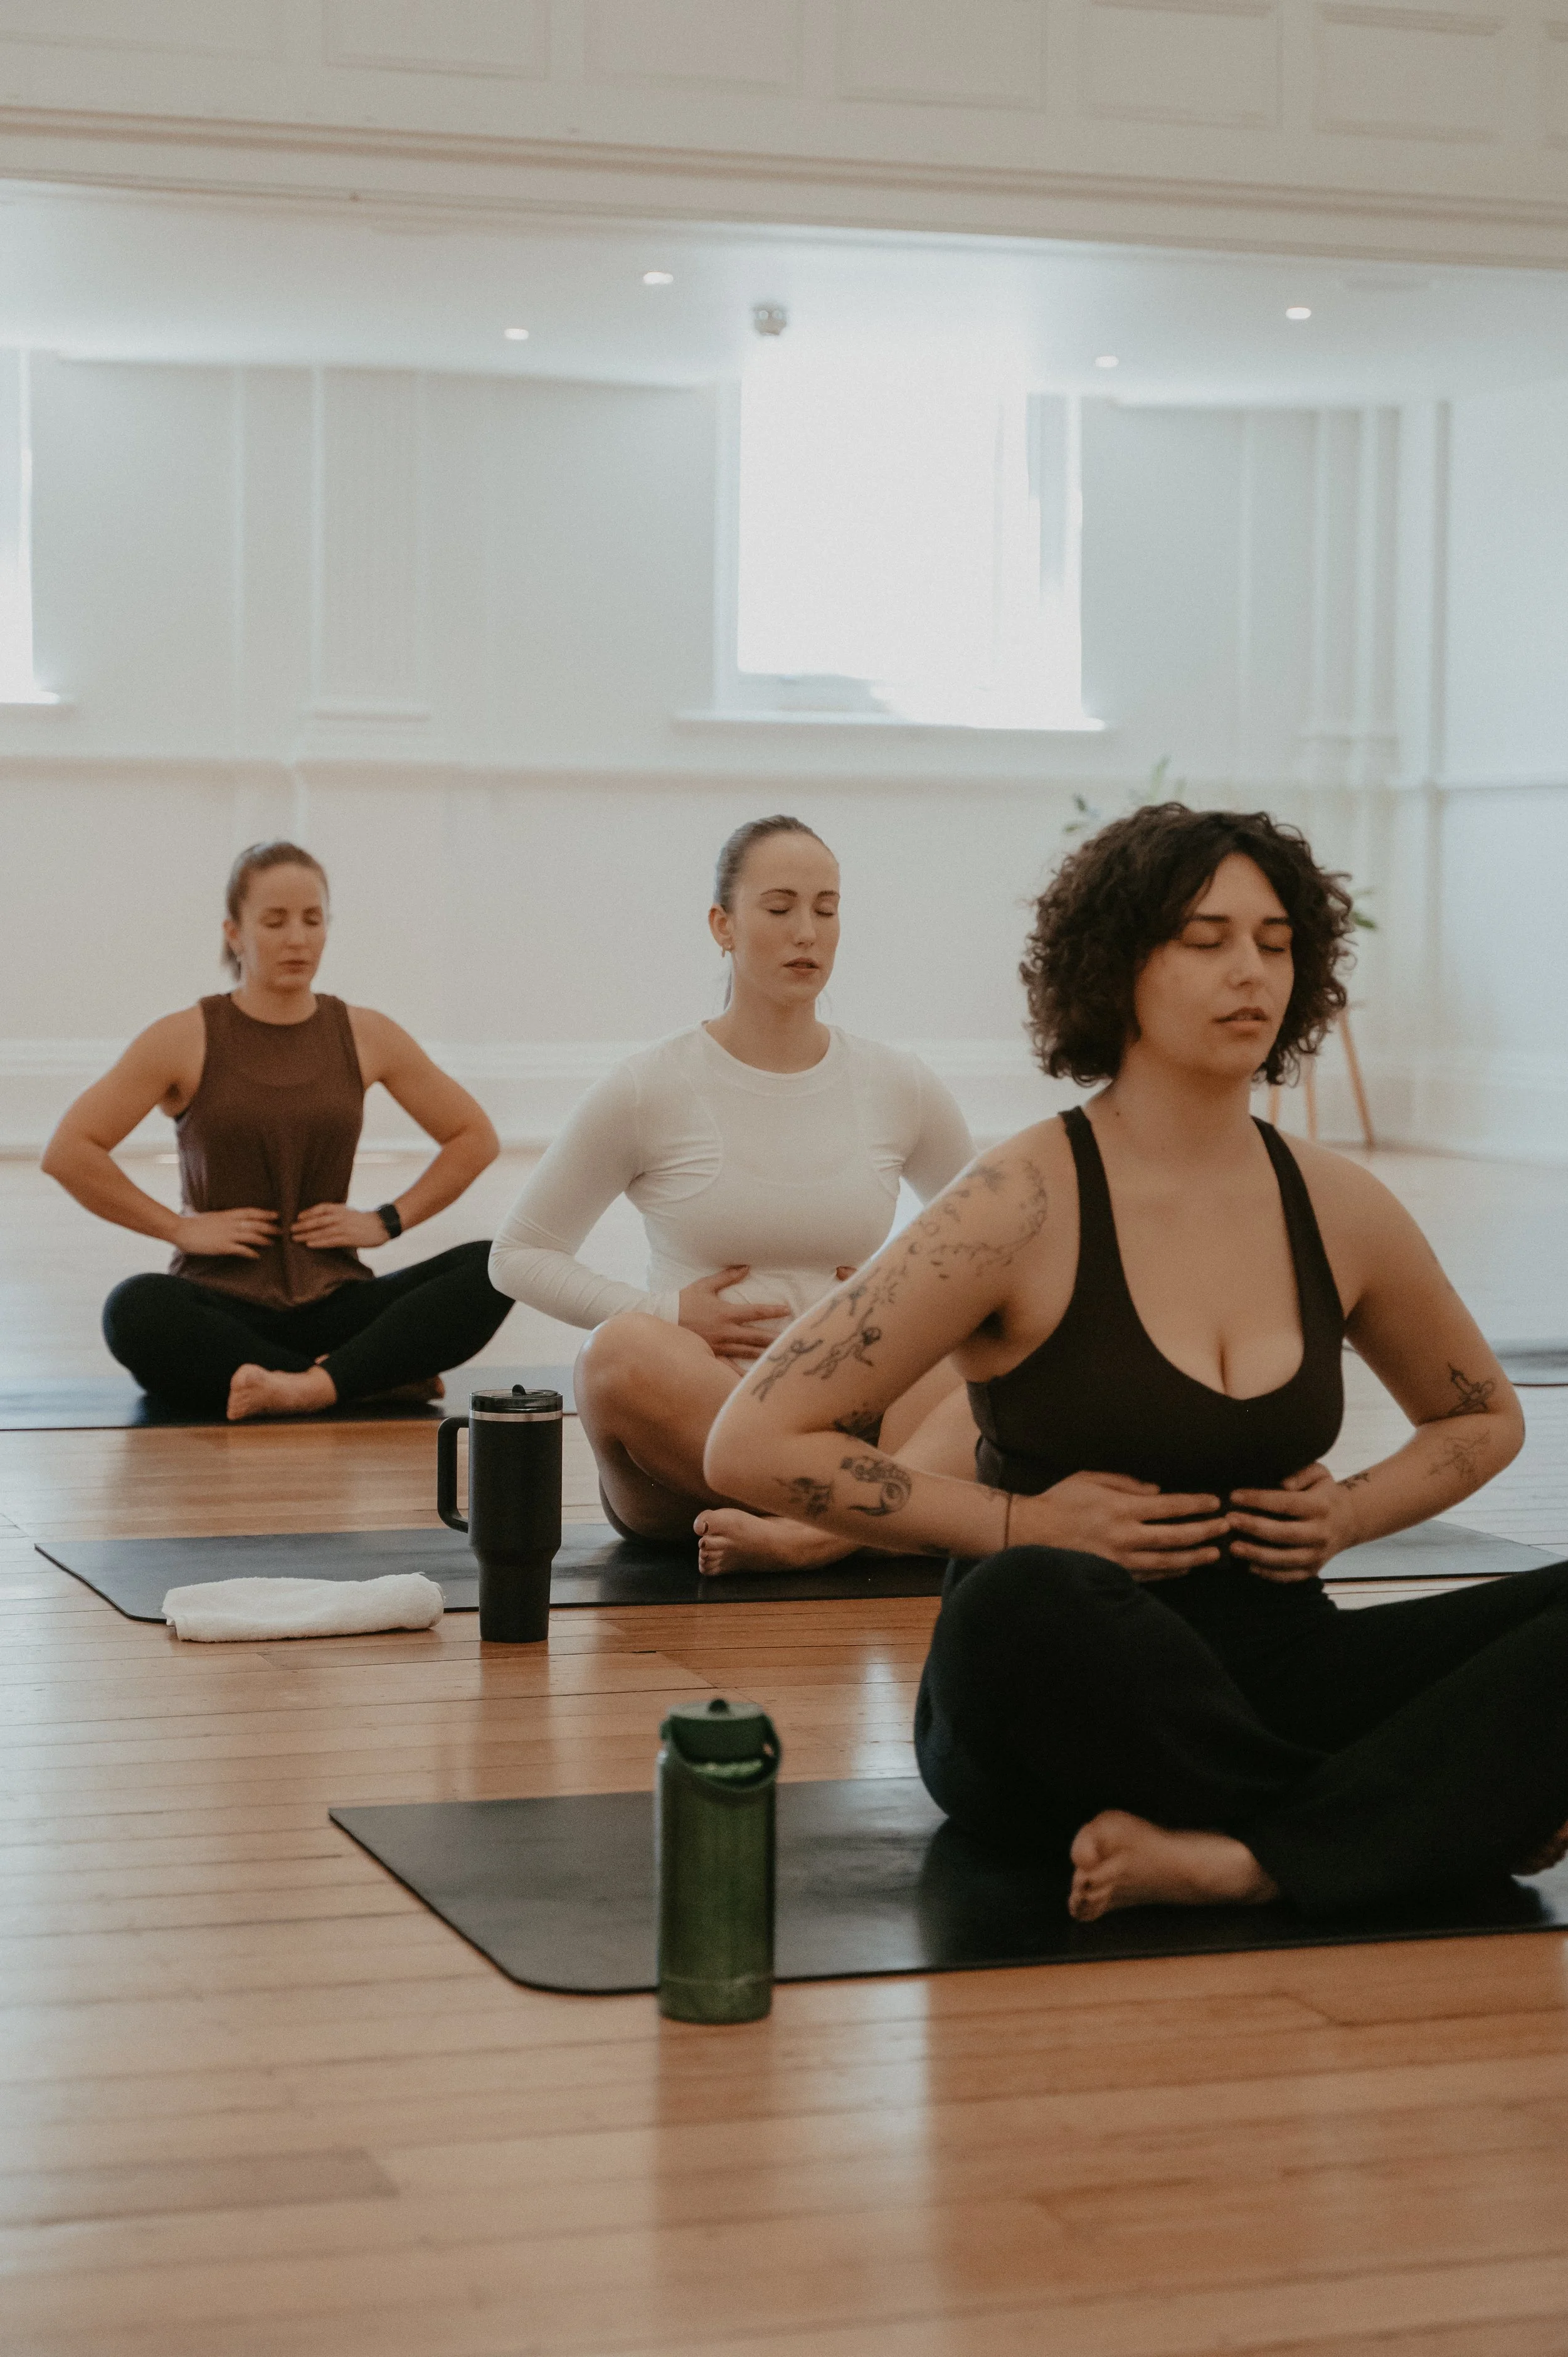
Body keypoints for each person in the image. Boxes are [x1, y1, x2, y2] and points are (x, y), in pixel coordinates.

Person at [706, 803, 1568, 1923]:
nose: (1247, 970)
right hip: (1064, 1679)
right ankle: (1410, 1819)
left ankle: (1250, 1858)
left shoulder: (1340, 1204)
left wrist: (1350, 1515)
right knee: (1024, 1597)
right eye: (1205, 939)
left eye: (1273, 941)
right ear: (1120, 965)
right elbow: (752, 1440)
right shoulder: (1019, 1202)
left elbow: (1481, 1419)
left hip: (1279, 1668)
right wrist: (1019, 1526)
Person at [489, 813, 980, 1572]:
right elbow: (518, 1254)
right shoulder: (647, 1086)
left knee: (995, 1358)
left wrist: (895, 1292)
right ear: (723, 924)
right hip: (699, 1434)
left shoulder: (899, 1084)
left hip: (853, 1409)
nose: (807, 932)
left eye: (826, 907)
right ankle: (874, 1516)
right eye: (779, 908)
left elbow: (984, 1248)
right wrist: (668, 1313)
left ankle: (816, 1536)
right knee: (616, 1354)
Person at [42, 841, 510, 1421]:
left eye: (313, 920)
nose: (298, 938)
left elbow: (473, 1135)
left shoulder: (367, 1034)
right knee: (133, 1309)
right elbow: (69, 1151)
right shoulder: (183, 1037)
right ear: (234, 933)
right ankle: (357, 1376)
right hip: (222, 1305)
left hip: (336, 1298)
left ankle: (303, 1386)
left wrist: (386, 1221)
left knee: (496, 1264)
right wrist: (181, 1229)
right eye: (275, 920)